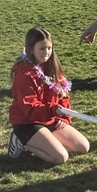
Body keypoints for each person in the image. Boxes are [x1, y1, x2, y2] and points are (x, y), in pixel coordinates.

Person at [8, 26, 90, 167]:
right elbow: (29, 107)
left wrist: (64, 117)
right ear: (30, 49)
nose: (46, 53)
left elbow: (63, 94)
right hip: (28, 122)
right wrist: (53, 110)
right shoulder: (24, 73)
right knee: (60, 157)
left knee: (83, 147)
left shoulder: (51, 67)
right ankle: (21, 140)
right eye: (42, 49)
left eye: (49, 48)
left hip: (50, 117)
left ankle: (45, 139)